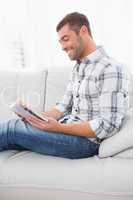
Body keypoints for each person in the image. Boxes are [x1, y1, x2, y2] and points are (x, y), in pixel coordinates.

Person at [0, 12, 128, 159]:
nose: (62, 47)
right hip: (64, 130)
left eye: (65, 39)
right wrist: (33, 116)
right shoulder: (78, 68)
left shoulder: (111, 69)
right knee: (16, 126)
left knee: (12, 130)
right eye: (60, 42)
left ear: (83, 31)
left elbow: (108, 125)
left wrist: (60, 128)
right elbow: (62, 107)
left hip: (85, 143)